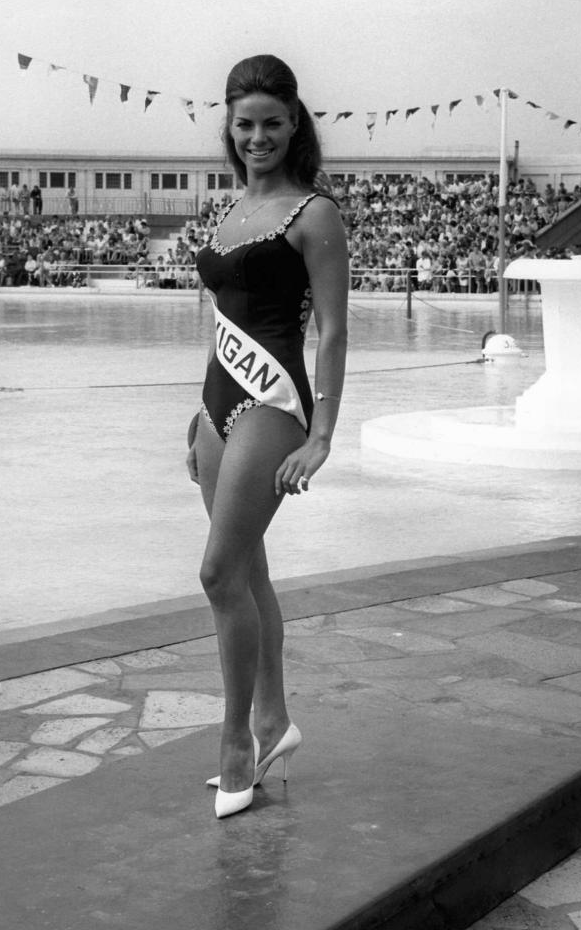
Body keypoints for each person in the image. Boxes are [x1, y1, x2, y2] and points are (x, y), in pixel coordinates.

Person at [186, 54, 349, 819]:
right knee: (250, 576)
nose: (258, 137)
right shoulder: (227, 210)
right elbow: (219, 317)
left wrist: (321, 436)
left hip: (272, 403)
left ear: (295, 124)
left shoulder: (313, 213)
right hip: (219, 403)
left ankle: (234, 744)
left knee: (219, 575)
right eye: (245, 123)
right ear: (230, 123)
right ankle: (275, 720)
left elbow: (335, 332)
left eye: (272, 123)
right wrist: (198, 412)